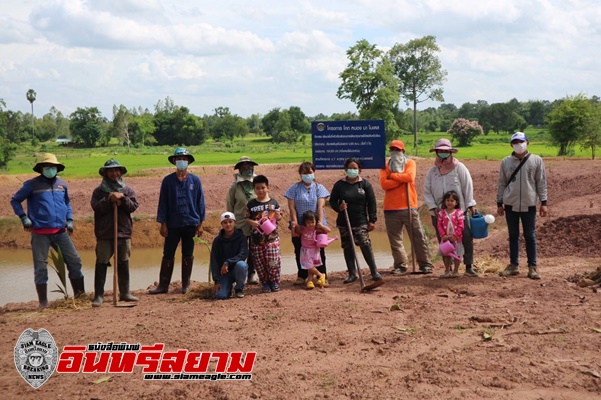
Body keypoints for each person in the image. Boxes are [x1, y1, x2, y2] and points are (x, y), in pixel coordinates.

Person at [10, 153, 85, 308]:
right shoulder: (31, 185)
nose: (51, 170)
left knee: (75, 261)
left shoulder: (62, 184)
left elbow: (67, 203)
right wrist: (24, 217)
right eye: (48, 167)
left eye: (53, 167)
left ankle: (80, 296)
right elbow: (15, 200)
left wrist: (70, 220)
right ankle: (43, 302)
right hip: (40, 234)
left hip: (61, 232)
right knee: (41, 267)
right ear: (41, 168)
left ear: (57, 168)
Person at [150, 148, 205, 295]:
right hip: (172, 224)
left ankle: (185, 285)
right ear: (174, 161)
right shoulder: (168, 181)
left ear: (188, 162)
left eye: (185, 158)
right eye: (179, 158)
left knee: (188, 253)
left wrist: (200, 224)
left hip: (190, 223)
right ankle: (163, 285)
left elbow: (200, 203)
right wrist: (163, 224)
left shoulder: (195, 180)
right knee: (168, 253)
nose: (182, 161)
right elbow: (163, 203)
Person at [424, 138, 478, 277]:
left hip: (459, 212)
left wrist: (470, 205)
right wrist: (433, 206)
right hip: (439, 213)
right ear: (436, 152)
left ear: (450, 152)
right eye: (440, 151)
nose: (443, 154)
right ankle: (448, 269)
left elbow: (467, 187)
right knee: (443, 239)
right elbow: (427, 191)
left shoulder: (459, 168)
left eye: (445, 151)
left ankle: (468, 266)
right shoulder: (432, 171)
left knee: (465, 237)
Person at [497, 132, 548, 280]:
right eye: (515, 142)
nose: (519, 144)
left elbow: (541, 182)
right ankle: (514, 265)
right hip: (510, 204)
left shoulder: (536, 161)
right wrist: (499, 202)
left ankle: (532, 267)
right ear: (511, 145)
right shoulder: (506, 162)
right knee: (513, 235)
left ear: (527, 142)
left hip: (529, 204)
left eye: (521, 141)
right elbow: (501, 182)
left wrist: (544, 203)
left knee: (530, 236)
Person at [90, 159, 140, 307]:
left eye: (117, 170)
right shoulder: (98, 191)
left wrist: (122, 199)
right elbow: (96, 208)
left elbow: (133, 206)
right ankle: (99, 295)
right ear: (105, 173)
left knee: (123, 262)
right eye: (111, 170)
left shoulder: (128, 190)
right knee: (102, 263)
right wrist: (109, 199)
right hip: (105, 233)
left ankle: (124, 293)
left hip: (123, 232)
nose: (114, 173)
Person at [380, 140, 434, 275]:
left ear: (403, 151)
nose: (394, 152)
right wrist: (400, 180)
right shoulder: (384, 166)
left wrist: (392, 176)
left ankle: (425, 264)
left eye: (397, 149)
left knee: (418, 236)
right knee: (395, 240)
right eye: (392, 149)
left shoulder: (410, 163)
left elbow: (409, 177)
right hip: (390, 208)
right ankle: (400, 265)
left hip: (409, 206)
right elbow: (384, 184)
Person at [329, 158, 382, 283]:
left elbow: (372, 203)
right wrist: (339, 207)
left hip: (361, 221)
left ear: (359, 170)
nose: (352, 170)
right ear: (346, 169)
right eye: (350, 168)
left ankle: (374, 271)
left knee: (365, 244)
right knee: (348, 247)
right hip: (344, 221)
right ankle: (352, 274)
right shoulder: (339, 185)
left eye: (355, 168)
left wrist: (372, 220)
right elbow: (332, 201)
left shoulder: (365, 184)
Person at [284, 161, 330, 285]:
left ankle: (322, 275)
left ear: (314, 172)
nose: (307, 175)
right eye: (305, 173)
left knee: (319, 250)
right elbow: (292, 208)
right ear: (300, 174)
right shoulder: (293, 189)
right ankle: (302, 275)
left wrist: (319, 224)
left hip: (316, 225)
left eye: (310, 172)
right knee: (300, 250)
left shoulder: (320, 188)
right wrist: (295, 223)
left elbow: (320, 207)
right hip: (300, 225)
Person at [245, 175, 283, 293]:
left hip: (272, 239)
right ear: (254, 189)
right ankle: (265, 283)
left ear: (267, 188)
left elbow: (280, 217)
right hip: (257, 240)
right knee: (259, 263)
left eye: (263, 187)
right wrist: (253, 222)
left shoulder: (274, 203)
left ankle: (274, 281)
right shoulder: (251, 204)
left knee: (273, 261)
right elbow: (246, 218)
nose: (260, 190)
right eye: (257, 188)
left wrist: (278, 216)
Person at [226, 156, 259, 285]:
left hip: (256, 222)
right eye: (243, 167)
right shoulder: (235, 186)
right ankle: (237, 275)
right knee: (240, 250)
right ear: (239, 170)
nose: (247, 168)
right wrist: (230, 223)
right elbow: (230, 206)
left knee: (254, 249)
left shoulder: (257, 183)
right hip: (240, 223)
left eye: (249, 166)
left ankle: (252, 273)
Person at [211, 212, 249, 299]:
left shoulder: (241, 237)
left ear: (234, 222)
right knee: (219, 296)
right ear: (222, 224)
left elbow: (243, 254)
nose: (228, 224)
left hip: (237, 270)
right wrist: (216, 281)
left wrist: (227, 262)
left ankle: (239, 289)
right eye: (225, 222)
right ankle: (227, 288)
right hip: (223, 273)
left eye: (230, 221)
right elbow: (214, 261)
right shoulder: (217, 241)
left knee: (242, 265)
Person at [299, 211, 330, 290]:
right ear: (305, 223)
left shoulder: (317, 229)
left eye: (312, 222)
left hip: (315, 250)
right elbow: (295, 233)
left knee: (311, 266)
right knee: (309, 266)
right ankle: (320, 275)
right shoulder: (303, 229)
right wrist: (294, 225)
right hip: (305, 250)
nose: (311, 224)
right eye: (308, 222)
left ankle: (310, 281)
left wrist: (322, 226)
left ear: (316, 221)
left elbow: (328, 230)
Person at [437, 191, 465, 278]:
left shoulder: (459, 213)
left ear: (456, 202)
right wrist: (443, 235)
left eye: (452, 201)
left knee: (457, 254)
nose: (449, 202)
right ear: (444, 202)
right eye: (448, 200)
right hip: (445, 239)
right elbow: (439, 225)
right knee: (446, 255)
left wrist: (455, 236)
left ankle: (456, 271)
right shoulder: (441, 213)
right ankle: (447, 270)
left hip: (457, 239)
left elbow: (461, 226)